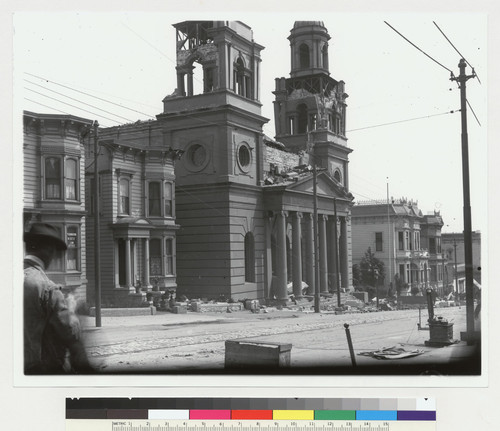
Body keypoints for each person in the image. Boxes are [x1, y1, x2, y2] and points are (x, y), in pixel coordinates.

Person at [24, 223, 93, 374]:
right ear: (48, 250)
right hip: (38, 372)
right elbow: (72, 338)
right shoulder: (48, 288)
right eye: (54, 251)